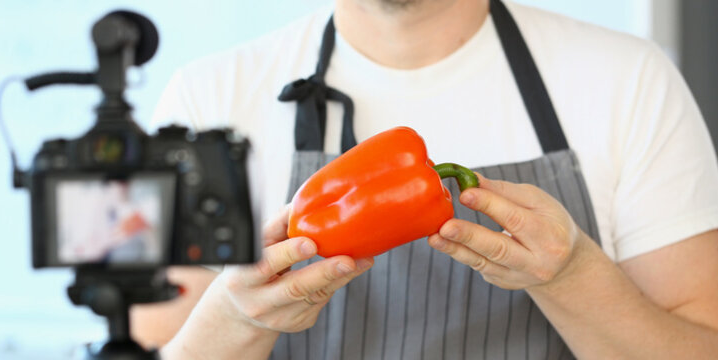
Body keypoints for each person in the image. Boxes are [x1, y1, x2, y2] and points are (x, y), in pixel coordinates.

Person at [132, 0, 718, 359]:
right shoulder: (207, 99)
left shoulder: (628, 80)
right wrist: (237, 318)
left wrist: (572, 276)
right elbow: (153, 348)